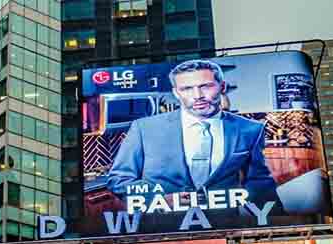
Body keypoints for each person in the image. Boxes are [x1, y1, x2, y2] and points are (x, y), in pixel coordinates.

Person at [106, 59, 279, 210]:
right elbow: (119, 180)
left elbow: (259, 182)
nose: (197, 96)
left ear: (222, 87)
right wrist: (159, 199)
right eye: (187, 88)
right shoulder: (144, 129)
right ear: (176, 93)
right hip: (161, 227)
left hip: (224, 223)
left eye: (206, 86)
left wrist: (276, 221)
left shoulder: (250, 129)